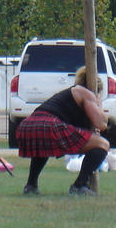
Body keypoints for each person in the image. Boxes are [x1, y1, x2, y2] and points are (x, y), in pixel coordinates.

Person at [16, 66, 110, 196]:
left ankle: (31, 185)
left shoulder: (70, 93)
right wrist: (99, 104)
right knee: (103, 144)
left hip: (28, 125)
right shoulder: (85, 93)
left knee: (44, 143)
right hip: (49, 125)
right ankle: (79, 185)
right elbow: (101, 124)